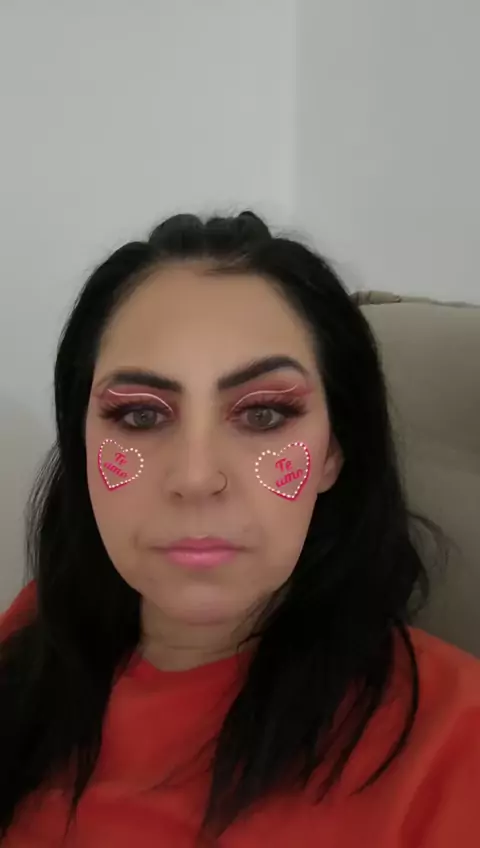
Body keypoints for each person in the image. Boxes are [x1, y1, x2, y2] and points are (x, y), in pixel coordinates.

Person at [0, 212, 479, 848]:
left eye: (264, 415)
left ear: (334, 451)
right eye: (140, 415)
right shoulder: (36, 635)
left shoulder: (456, 745)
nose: (196, 477)